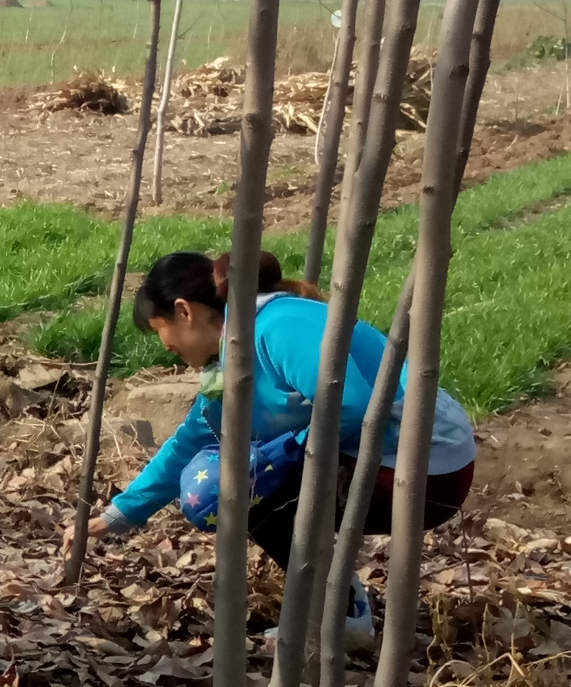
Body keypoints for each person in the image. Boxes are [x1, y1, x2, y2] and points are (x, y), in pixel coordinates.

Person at [65, 246, 477, 645]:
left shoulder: (277, 324)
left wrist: (284, 452)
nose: (165, 346)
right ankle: (337, 606)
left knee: (225, 488)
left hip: (423, 469)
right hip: (387, 461)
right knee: (227, 478)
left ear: (184, 311)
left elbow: (351, 407)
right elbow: (191, 440)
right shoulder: (230, 358)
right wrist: (116, 516)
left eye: (160, 330)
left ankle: (339, 614)